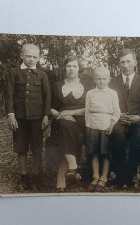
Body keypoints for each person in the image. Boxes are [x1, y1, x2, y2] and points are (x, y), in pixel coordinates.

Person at [5, 44, 51, 191]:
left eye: (35, 57)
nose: (32, 59)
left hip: (37, 118)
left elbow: (47, 96)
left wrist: (46, 115)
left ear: (39, 58)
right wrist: (11, 115)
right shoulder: (14, 73)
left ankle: (36, 177)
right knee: (21, 148)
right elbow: (9, 96)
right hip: (20, 118)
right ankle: (24, 177)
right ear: (22, 56)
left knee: (37, 148)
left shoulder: (42, 75)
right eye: (29, 56)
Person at [109, 48, 140, 188]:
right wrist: (118, 115)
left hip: (139, 120)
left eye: (128, 61)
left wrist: (139, 117)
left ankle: (129, 174)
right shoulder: (113, 82)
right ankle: (121, 174)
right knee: (116, 135)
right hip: (119, 119)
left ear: (135, 62)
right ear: (119, 64)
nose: (125, 65)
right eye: (122, 62)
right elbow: (109, 102)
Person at [50, 56, 91, 192]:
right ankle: (72, 166)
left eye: (74, 66)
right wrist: (61, 114)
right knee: (63, 125)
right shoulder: (56, 85)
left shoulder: (87, 84)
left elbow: (90, 107)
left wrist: (70, 113)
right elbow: (51, 107)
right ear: (64, 68)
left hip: (81, 121)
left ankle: (61, 177)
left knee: (65, 128)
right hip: (60, 121)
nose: (71, 69)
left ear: (79, 68)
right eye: (68, 66)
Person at [85, 67, 121, 190]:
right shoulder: (90, 94)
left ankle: (103, 177)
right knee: (94, 153)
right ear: (94, 79)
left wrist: (112, 125)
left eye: (104, 79)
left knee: (105, 154)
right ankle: (95, 177)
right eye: (98, 78)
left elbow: (117, 112)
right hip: (92, 125)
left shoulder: (112, 94)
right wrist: (88, 126)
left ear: (109, 79)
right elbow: (87, 112)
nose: (101, 81)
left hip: (106, 126)